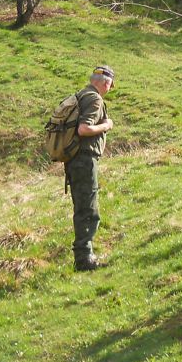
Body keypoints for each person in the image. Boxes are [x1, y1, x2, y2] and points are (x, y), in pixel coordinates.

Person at [67, 65, 115, 272]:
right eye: (111, 85)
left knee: (82, 206)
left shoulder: (80, 95)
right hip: (85, 160)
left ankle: (82, 256)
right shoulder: (95, 99)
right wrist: (107, 125)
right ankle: (84, 259)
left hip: (73, 160)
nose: (110, 89)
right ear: (106, 82)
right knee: (88, 209)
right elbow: (84, 129)